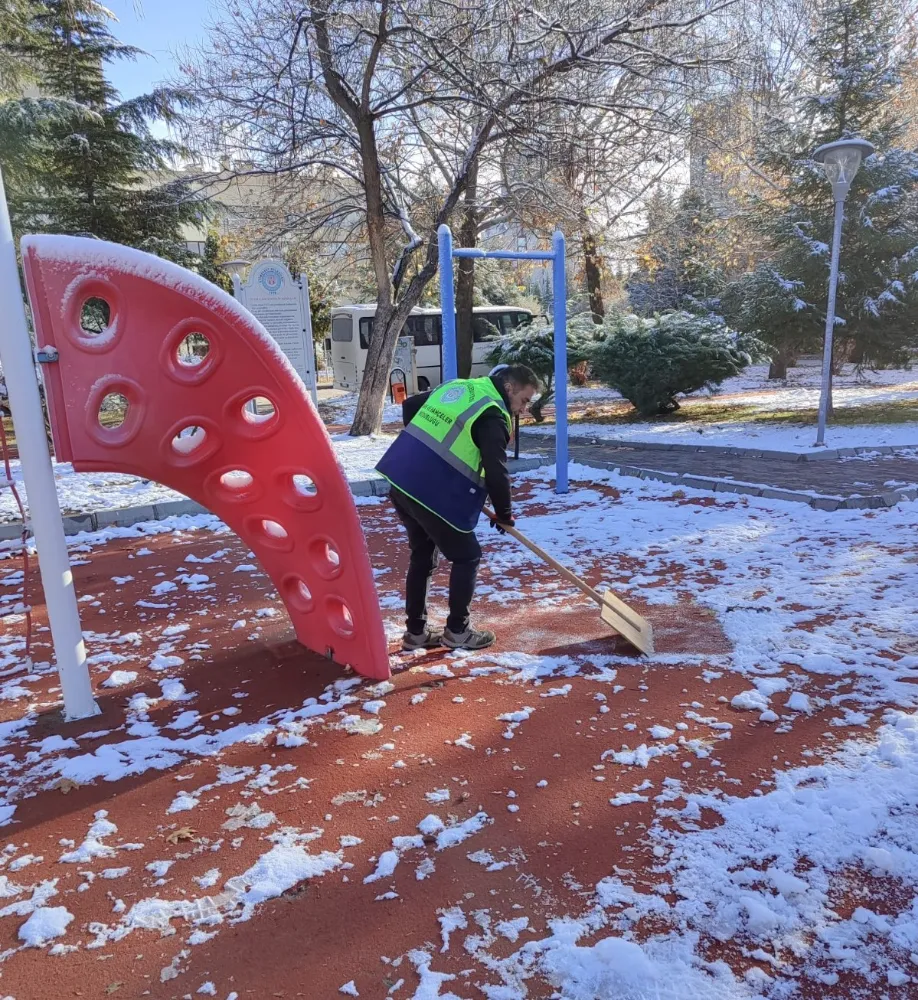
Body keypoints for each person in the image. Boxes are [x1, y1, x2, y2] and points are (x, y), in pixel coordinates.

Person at [375, 364, 540, 652]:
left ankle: (415, 633)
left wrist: (422, 452)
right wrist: (504, 513)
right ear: (510, 387)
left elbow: (411, 405)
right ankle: (458, 631)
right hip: (431, 492)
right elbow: (496, 470)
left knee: (423, 556)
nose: (523, 410)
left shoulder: (461, 387)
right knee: (467, 556)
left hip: (401, 478)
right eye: (524, 401)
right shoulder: (493, 415)